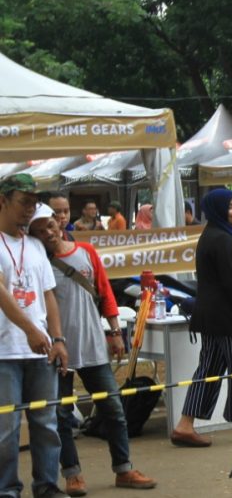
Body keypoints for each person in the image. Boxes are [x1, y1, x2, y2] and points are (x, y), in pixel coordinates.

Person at [27, 206, 156, 495]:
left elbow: (105, 291)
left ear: (59, 222)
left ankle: (124, 469)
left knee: (114, 408)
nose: (48, 233)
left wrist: (115, 331)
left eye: (50, 225)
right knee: (61, 416)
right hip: (57, 351)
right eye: (39, 231)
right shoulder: (38, 262)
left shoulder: (86, 251)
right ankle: (72, 475)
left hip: (93, 346)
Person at [170, 189, 232, 447]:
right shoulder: (222, 239)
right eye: (230, 207)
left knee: (208, 370)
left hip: (212, 317)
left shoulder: (211, 234)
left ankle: (184, 425)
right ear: (218, 209)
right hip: (230, 317)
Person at [0, 173, 69, 498]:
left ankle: (47, 486)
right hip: (5, 351)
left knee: (46, 423)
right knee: (6, 428)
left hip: (41, 350)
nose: (30, 209)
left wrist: (58, 339)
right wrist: (30, 330)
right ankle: (7, 489)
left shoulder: (37, 246)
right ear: (3, 201)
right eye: (23, 202)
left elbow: (48, 295)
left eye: (34, 203)